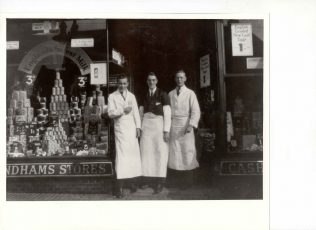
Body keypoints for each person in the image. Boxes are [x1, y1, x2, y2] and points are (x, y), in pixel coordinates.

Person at [108, 76, 142, 198]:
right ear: (117, 84)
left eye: (124, 83)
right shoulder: (112, 96)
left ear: (127, 84)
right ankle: (119, 188)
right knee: (122, 158)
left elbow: (136, 113)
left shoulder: (132, 96)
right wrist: (122, 109)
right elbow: (111, 113)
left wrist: (138, 127)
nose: (122, 86)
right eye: (120, 83)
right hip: (121, 130)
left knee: (132, 157)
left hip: (131, 129)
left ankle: (132, 183)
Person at [168, 69, 201, 189]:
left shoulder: (190, 93)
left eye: (181, 77)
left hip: (186, 124)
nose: (179, 80)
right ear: (175, 79)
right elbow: (167, 111)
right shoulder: (171, 94)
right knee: (175, 152)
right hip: (173, 125)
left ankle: (187, 182)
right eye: (177, 77)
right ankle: (176, 180)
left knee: (187, 151)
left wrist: (191, 125)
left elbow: (196, 110)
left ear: (185, 78)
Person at [139, 72, 171, 194]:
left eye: (153, 80)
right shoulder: (144, 94)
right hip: (146, 127)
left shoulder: (163, 94)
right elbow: (140, 112)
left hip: (159, 127)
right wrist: (139, 128)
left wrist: (166, 131)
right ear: (147, 82)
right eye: (149, 80)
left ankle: (159, 182)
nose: (151, 82)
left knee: (160, 153)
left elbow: (167, 114)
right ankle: (147, 179)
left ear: (156, 81)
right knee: (146, 153)